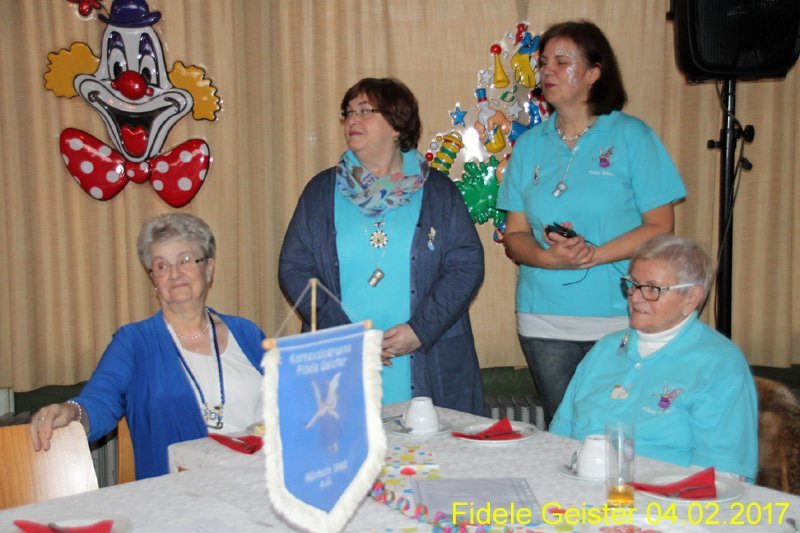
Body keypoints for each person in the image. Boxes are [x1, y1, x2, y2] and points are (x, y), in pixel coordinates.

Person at [496, 20, 687, 425]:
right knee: (563, 432)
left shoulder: (632, 136)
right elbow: (515, 235)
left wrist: (593, 255)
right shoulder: (528, 145)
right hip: (544, 319)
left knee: (621, 432)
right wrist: (547, 258)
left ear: (594, 73)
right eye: (543, 63)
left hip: (621, 315)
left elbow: (660, 226)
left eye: (561, 62)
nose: (547, 71)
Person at [279, 77, 485, 415]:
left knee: (432, 448)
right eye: (347, 112)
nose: (352, 120)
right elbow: (294, 267)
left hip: (426, 358)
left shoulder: (439, 191)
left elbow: (466, 265)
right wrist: (346, 337)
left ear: (397, 124)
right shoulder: (320, 191)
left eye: (364, 111)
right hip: (343, 361)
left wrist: (420, 331)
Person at [29, 213, 266, 479]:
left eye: (186, 260)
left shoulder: (247, 333)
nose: (175, 273)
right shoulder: (133, 342)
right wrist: (72, 412)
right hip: (182, 490)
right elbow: (100, 400)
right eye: (162, 266)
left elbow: (287, 400)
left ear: (208, 268)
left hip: (260, 479)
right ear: (154, 280)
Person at [550, 235, 758, 481]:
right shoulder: (606, 348)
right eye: (633, 284)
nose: (635, 297)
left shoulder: (719, 363)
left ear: (691, 298)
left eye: (652, 289)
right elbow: (558, 438)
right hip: (576, 486)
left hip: (662, 496)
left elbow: (722, 473)